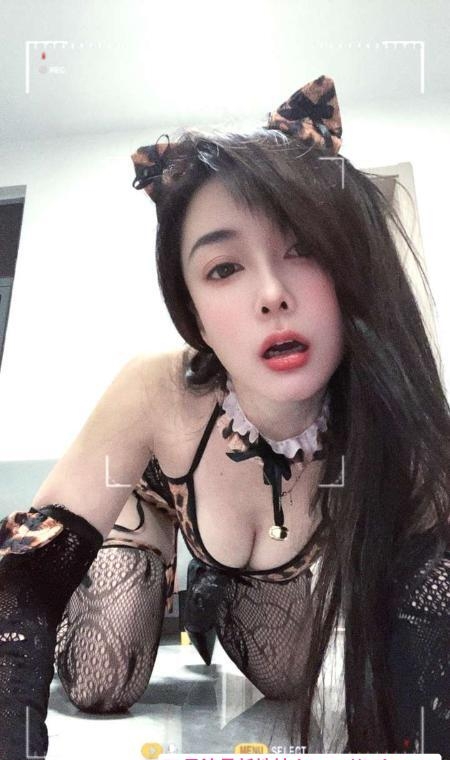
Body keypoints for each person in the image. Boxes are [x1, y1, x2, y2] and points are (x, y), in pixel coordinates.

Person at [0, 75, 449, 758]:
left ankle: (213, 580)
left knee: (288, 681)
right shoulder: (155, 385)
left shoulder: (393, 417)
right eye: (223, 268)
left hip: (266, 556)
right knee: (102, 679)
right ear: (196, 317)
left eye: (303, 248)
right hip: (152, 506)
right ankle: (163, 554)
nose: (271, 294)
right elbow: (23, 580)